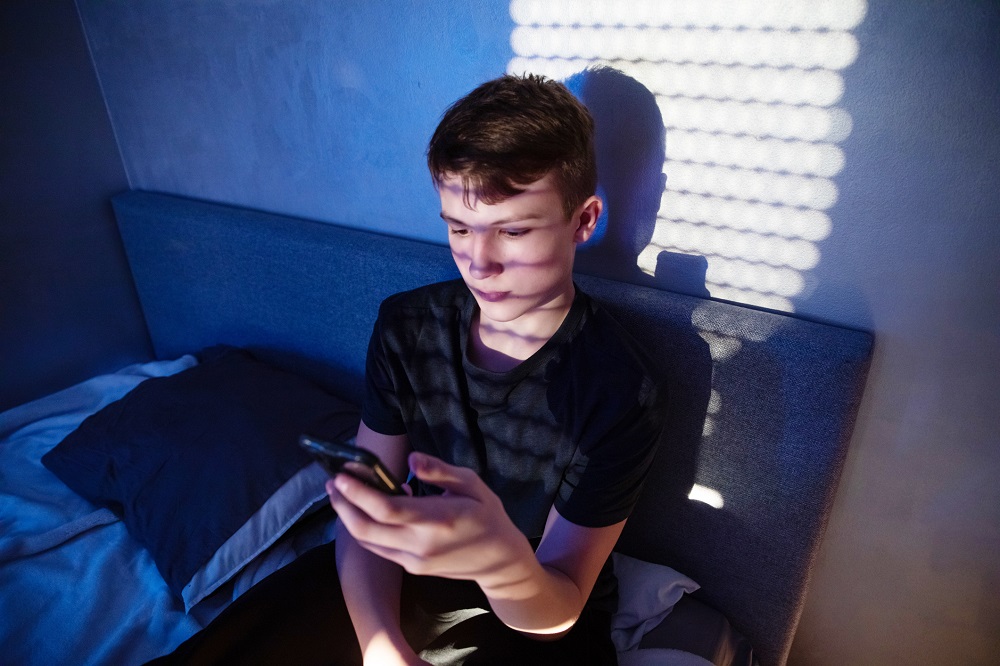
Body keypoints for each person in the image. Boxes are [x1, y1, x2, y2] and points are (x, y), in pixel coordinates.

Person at [152, 73, 665, 666]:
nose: (480, 262)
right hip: (404, 580)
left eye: (513, 231)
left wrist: (502, 562)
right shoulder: (408, 329)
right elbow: (370, 509)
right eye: (459, 228)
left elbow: (560, 604)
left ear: (583, 220)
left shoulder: (621, 387)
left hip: (537, 614)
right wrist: (380, 644)